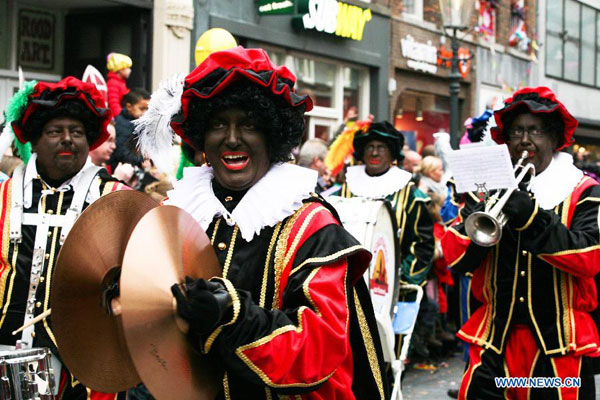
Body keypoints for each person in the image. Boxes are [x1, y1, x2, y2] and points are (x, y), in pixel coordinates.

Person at [136, 46, 388, 399]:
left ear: (272, 135)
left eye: (249, 124)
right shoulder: (177, 211)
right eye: (218, 124)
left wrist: (231, 316)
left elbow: (318, 347)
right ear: (202, 138)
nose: (233, 137)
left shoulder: (312, 225)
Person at [442, 86, 600, 400]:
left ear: (553, 138)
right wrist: (482, 215)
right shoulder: (488, 188)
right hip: (494, 342)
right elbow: (456, 258)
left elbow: (590, 256)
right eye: (516, 132)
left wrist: (532, 217)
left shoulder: (582, 190)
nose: (525, 141)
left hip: (557, 345)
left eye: (535, 131)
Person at [0, 77, 129, 399]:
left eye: (77, 132)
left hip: (83, 368)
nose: (67, 140)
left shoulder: (116, 200)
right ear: (35, 138)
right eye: (55, 131)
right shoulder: (3, 197)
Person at [339, 121, 434, 288]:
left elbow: (422, 245)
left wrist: (401, 281)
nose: (374, 153)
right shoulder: (344, 191)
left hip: (393, 287)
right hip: (349, 285)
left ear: (392, 153)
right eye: (370, 147)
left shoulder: (410, 194)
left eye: (381, 148)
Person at [108, 88, 150, 172]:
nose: (145, 113)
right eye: (141, 109)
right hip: (120, 171)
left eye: (147, 109)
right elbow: (121, 152)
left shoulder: (138, 122)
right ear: (129, 107)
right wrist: (140, 160)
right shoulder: (122, 124)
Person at [106, 52, 132, 118]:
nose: (130, 70)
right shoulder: (113, 83)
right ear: (120, 69)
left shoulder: (120, 82)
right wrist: (120, 117)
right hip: (117, 118)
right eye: (127, 68)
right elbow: (113, 103)